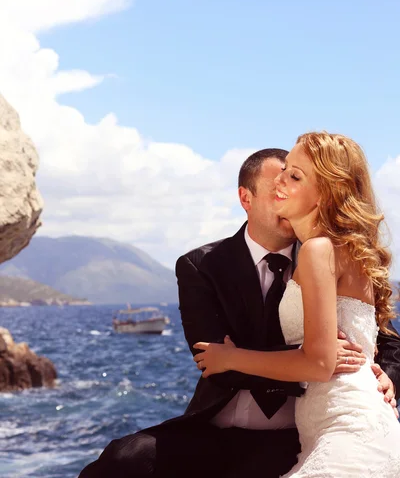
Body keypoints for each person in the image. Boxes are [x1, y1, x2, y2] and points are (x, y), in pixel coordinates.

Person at [78, 146, 400, 478]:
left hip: (296, 434)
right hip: (217, 426)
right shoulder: (200, 266)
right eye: (275, 187)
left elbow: (383, 340)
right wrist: (316, 356)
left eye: (292, 181)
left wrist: (385, 378)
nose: (282, 191)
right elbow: (214, 361)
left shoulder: (326, 254)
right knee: (122, 458)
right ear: (246, 198)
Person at [193, 133, 400, 477]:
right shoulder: (338, 250)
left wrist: (229, 357)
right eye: (285, 170)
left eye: (294, 176)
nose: (280, 181)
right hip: (333, 426)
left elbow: (319, 364)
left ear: (326, 192)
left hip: (345, 426)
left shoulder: (319, 250)